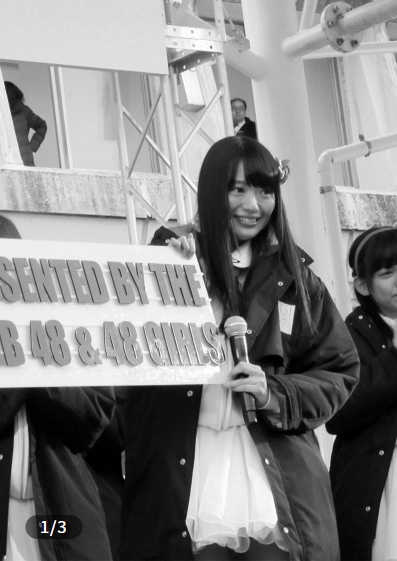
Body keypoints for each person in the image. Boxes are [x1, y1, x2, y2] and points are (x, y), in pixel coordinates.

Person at [121, 135, 359, 560]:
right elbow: (118, 362)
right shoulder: (167, 266)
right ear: (214, 192)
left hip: (273, 467)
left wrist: (274, 392)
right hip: (184, 466)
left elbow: (338, 369)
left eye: (265, 191)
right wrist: (169, 268)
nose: (253, 205)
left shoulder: (297, 280)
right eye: (238, 190)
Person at [0, 210, 116, 561]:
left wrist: (31, 356)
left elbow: (94, 416)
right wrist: (26, 370)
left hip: (56, 517)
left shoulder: (62, 333)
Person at [327, 225, 397, 561]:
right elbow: (337, 412)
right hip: (376, 481)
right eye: (387, 273)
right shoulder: (346, 335)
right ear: (362, 285)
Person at [4, 81, 47, 167]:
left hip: (26, 163)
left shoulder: (24, 111)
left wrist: (32, 146)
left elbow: (42, 126)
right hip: (7, 163)